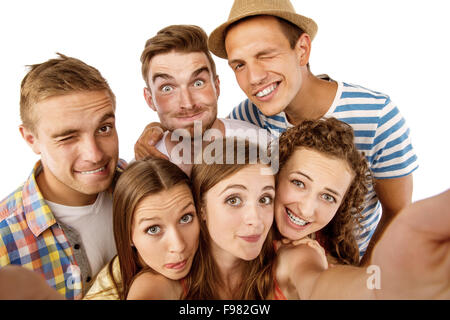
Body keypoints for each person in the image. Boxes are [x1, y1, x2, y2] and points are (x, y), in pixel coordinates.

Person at [207, 0, 418, 261]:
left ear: (302, 50)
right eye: (239, 65)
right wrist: (159, 133)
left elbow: (398, 213)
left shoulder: (377, 117)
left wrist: (363, 277)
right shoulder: (248, 116)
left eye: (266, 55)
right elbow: (204, 155)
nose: (253, 78)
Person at [128, 138, 449, 299]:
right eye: (234, 200)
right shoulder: (166, 277)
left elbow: (320, 283)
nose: (254, 219)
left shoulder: (295, 256)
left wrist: (382, 283)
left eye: (265, 198)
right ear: (201, 210)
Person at [0, 53, 125, 299]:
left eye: (104, 128)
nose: (94, 154)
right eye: (68, 137)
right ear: (30, 139)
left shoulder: (137, 186)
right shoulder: (6, 238)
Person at [134, 24, 270, 176]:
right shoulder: (141, 168)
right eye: (167, 88)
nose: (188, 103)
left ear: (216, 87)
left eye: (198, 83)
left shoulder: (264, 148)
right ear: (150, 99)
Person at [84, 158, 200, 300]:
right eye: (153, 229)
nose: (178, 246)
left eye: (185, 218)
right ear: (128, 236)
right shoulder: (149, 285)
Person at [275, 117, 372, 266]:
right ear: (276, 175)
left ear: (342, 205)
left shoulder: (335, 254)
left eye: (327, 197)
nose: (306, 211)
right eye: (298, 183)